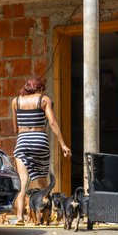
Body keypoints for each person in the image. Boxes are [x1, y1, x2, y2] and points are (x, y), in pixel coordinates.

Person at [11, 76, 72, 224]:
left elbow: (15, 128)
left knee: (23, 182)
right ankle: (49, 215)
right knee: (44, 183)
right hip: (40, 141)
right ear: (40, 88)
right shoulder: (44, 100)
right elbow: (52, 122)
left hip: (23, 141)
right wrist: (63, 144)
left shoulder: (16, 101)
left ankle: (19, 217)